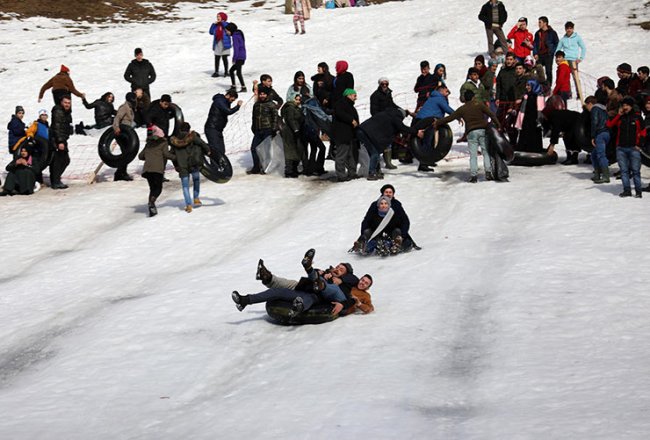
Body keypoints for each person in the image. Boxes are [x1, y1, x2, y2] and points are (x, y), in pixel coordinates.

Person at [435, 90, 500, 182]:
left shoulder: (462, 109)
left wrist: (437, 122)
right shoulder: (479, 104)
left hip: (471, 132)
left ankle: (473, 176)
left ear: (465, 99)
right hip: (482, 130)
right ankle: (488, 173)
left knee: (473, 155)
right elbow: (491, 114)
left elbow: (450, 118)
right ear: (473, 97)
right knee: (485, 152)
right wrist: (498, 125)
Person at [357, 107, 424, 180]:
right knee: (375, 152)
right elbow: (402, 127)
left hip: (362, 130)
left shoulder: (387, 113)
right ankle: (372, 173)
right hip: (367, 133)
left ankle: (376, 171)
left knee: (374, 152)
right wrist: (416, 132)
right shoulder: (396, 117)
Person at [606, 97, 646, 198]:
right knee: (624, 171)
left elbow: (643, 132)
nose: (625, 107)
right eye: (623, 105)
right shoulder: (620, 117)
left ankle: (638, 191)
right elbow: (610, 125)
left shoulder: (637, 118)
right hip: (621, 148)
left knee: (636, 171)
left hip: (634, 148)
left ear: (631, 106)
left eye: (627, 105)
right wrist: (618, 115)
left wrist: (639, 144)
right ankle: (626, 190)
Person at [169, 122, 211, 212]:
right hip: (193, 163)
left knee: (185, 186)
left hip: (182, 166)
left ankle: (188, 205)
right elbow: (202, 143)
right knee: (196, 180)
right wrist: (208, 151)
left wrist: (176, 165)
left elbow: (172, 155)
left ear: (179, 130)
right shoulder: (192, 137)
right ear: (188, 129)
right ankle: (196, 198)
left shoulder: (174, 141)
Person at [138, 124, 175, 217]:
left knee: (152, 188)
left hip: (147, 170)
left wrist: (149, 157)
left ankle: (151, 206)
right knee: (158, 188)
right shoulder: (163, 143)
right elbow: (166, 154)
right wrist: (176, 158)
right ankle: (151, 203)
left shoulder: (148, 144)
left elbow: (140, 156)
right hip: (157, 169)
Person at [247, 86, 278, 174]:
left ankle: (266, 168)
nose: (262, 96)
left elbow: (275, 117)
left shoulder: (271, 104)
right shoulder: (256, 105)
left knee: (266, 150)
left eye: (264, 94)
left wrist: (273, 129)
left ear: (267, 95)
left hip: (267, 129)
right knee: (254, 148)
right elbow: (254, 117)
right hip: (258, 130)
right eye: (260, 94)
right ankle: (256, 167)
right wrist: (253, 127)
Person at [332, 88, 360, 182]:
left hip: (350, 135)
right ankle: (341, 175)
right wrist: (351, 120)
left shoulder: (350, 105)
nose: (355, 98)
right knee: (341, 155)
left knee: (351, 155)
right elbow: (340, 114)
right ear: (348, 95)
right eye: (354, 95)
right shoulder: (341, 103)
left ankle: (352, 173)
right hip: (342, 134)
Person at [555, 21, 586, 102]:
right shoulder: (563, 39)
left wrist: (581, 58)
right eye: (567, 28)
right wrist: (559, 58)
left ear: (573, 29)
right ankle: (568, 93)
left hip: (574, 60)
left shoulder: (577, 37)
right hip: (565, 60)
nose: (569, 30)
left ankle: (579, 93)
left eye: (570, 28)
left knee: (575, 77)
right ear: (565, 29)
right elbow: (558, 49)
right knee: (566, 78)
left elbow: (583, 47)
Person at [204, 90, 242, 156]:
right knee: (215, 150)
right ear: (228, 96)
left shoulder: (225, 102)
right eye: (232, 100)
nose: (232, 101)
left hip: (218, 129)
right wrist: (238, 106)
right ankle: (214, 166)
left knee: (221, 150)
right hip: (212, 128)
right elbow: (228, 111)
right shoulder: (219, 101)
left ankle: (220, 165)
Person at [584, 95, 611, 184]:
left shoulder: (595, 109)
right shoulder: (604, 109)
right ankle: (597, 174)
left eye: (586, 105)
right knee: (594, 155)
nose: (586, 108)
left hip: (600, 133)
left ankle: (606, 176)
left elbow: (594, 122)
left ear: (590, 103)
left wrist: (592, 136)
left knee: (601, 155)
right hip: (606, 133)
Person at [49, 95, 73, 190]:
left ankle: (56, 180)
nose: (67, 105)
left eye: (69, 103)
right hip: (57, 140)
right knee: (59, 161)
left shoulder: (66, 112)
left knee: (63, 160)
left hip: (62, 139)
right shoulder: (58, 111)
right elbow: (57, 127)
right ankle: (55, 181)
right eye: (65, 103)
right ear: (61, 103)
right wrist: (60, 141)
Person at [112, 92, 138, 181]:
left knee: (127, 153)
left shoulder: (131, 108)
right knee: (126, 153)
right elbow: (117, 118)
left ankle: (122, 172)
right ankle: (120, 173)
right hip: (121, 133)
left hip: (128, 133)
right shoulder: (124, 108)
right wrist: (116, 127)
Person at [515, 80, 544, 153]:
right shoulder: (526, 96)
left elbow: (540, 110)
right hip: (526, 120)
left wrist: (539, 121)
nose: (526, 87)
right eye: (526, 85)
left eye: (529, 85)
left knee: (533, 137)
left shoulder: (538, 96)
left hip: (534, 121)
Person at [280, 94, 304, 178]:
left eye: (299, 100)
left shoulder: (296, 108)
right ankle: (289, 171)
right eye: (296, 99)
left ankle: (294, 169)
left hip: (294, 130)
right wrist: (295, 129)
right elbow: (290, 119)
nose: (298, 101)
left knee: (296, 150)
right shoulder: (290, 107)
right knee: (290, 151)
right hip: (289, 131)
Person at [533, 16, 559, 86]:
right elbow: (535, 43)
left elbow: (556, 43)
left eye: (540, 22)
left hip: (548, 54)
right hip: (540, 54)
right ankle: (540, 85)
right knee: (538, 69)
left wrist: (552, 51)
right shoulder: (537, 33)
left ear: (545, 23)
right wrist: (535, 53)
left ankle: (548, 86)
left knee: (548, 71)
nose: (539, 24)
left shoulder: (552, 33)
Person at [225, 22, 247, 93]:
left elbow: (236, 48)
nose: (226, 32)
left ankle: (243, 87)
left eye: (227, 31)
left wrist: (234, 58)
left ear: (231, 30)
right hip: (242, 56)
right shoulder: (238, 34)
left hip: (239, 57)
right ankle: (233, 86)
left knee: (238, 72)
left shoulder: (235, 36)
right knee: (231, 71)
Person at [209, 12, 231, 78]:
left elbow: (227, 28)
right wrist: (213, 24)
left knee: (224, 58)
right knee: (217, 58)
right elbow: (211, 32)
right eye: (217, 16)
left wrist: (222, 22)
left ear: (223, 17)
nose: (218, 17)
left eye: (219, 16)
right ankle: (216, 72)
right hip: (217, 43)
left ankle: (226, 72)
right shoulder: (216, 25)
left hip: (225, 44)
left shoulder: (226, 24)